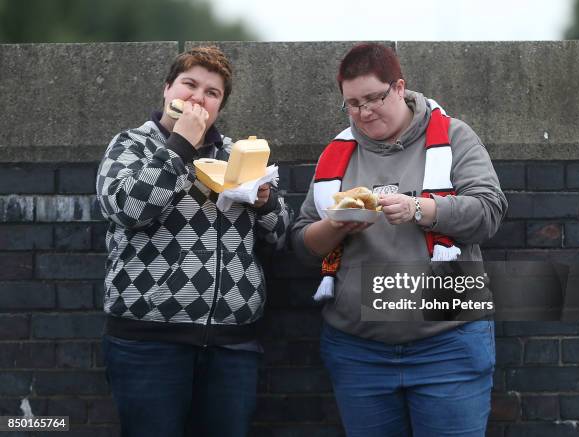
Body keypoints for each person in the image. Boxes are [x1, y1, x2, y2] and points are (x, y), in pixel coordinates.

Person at [291, 43, 507, 437]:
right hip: (358, 350)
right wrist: (336, 225)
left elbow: (489, 212)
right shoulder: (336, 154)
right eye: (352, 104)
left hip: (449, 344)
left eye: (373, 98)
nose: (364, 112)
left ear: (399, 87)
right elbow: (301, 245)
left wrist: (420, 210)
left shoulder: (454, 135)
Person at [96, 46, 291, 437]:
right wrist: (180, 147)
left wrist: (265, 203)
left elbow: (282, 233)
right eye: (189, 85)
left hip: (232, 346)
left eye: (211, 92)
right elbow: (126, 208)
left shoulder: (237, 154)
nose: (197, 98)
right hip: (149, 344)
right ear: (167, 89)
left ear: (220, 106)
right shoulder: (131, 145)